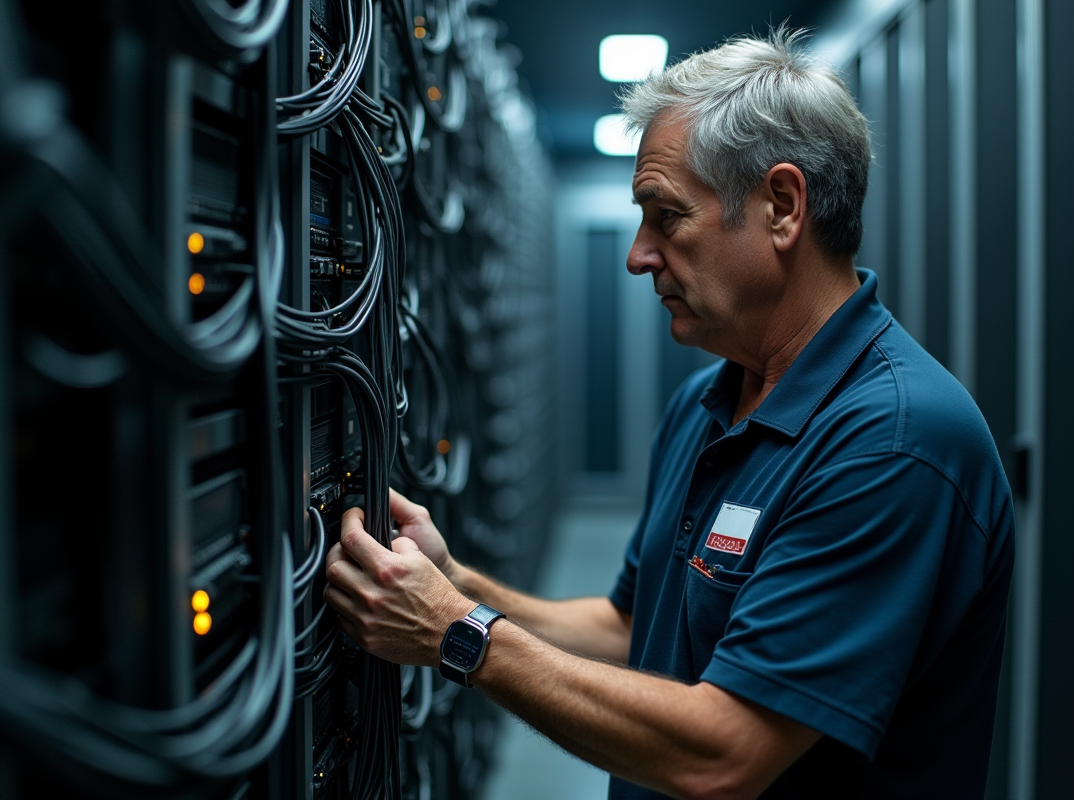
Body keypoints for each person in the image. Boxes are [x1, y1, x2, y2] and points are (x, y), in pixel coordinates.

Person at [324, 28, 1014, 800]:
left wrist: (457, 632)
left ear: (782, 207)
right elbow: (632, 630)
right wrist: (459, 586)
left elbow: (726, 753)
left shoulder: (894, 443)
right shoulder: (707, 403)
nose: (638, 254)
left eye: (666, 216)